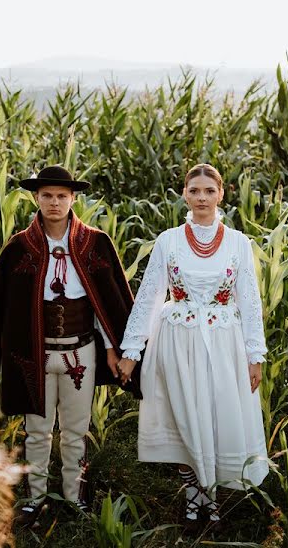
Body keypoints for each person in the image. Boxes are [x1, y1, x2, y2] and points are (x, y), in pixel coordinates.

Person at [0, 165, 140, 528]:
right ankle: (36, 499)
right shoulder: (19, 248)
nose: (54, 202)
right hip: (33, 355)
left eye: (61, 196)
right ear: (37, 198)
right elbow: (0, 308)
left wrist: (115, 348)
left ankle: (73, 495)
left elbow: (107, 301)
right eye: (47, 195)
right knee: (36, 429)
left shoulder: (95, 243)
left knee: (75, 429)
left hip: (79, 352)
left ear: (73, 199)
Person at [116, 163, 268, 531]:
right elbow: (151, 294)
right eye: (194, 191)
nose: (202, 198)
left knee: (214, 417)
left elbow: (248, 299)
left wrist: (255, 354)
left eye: (209, 191)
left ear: (221, 195)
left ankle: (212, 499)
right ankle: (192, 498)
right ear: (185, 194)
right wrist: (132, 350)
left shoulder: (237, 243)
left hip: (223, 341)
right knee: (184, 414)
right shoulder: (168, 240)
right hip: (177, 339)